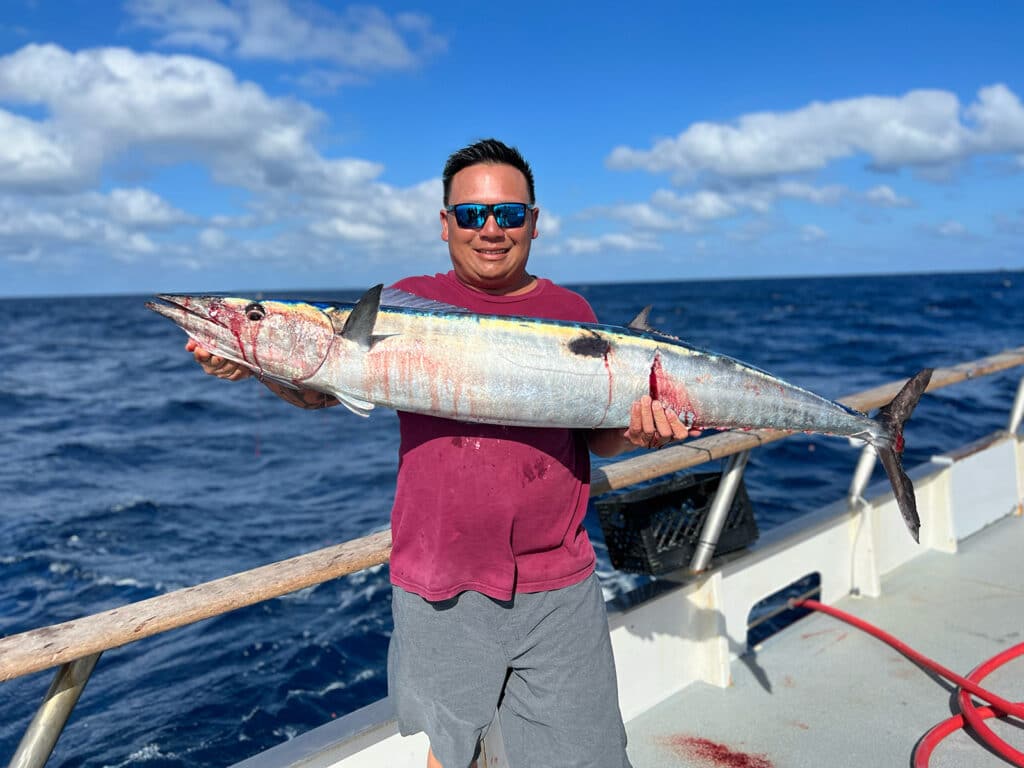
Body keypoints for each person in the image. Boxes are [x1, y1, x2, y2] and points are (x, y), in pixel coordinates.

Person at [188, 138, 698, 768]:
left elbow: (597, 435)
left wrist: (639, 431)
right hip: (438, 579)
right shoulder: (402, 303)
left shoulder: (572, 312)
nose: (490, 229)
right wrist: (257, 361)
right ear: (445, 223)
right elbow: (324, 389)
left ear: (533, 223)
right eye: (471, 214)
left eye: (509, 215)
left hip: (557, 580)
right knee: (454, 753)